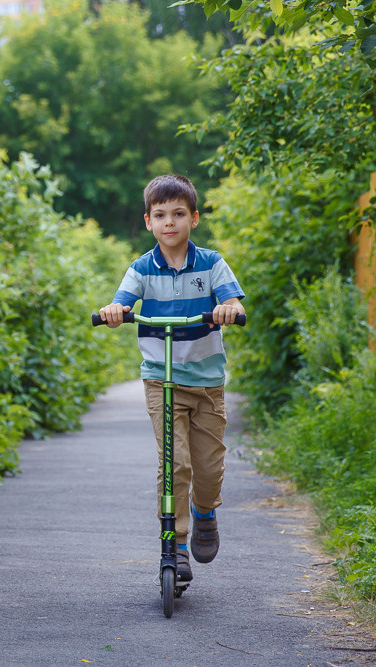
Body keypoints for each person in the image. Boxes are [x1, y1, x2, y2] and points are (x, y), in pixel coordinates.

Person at [98, 174, 245, 583]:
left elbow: (231, 298)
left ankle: (205, 512)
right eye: (160, 215)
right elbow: (121, 301)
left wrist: (228, 308)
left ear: (193, 219)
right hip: (162, 382)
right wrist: (114, 311)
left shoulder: (212, 263)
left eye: (178, 214)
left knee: (210, 467)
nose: (169, 222)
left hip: (207, 382)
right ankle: (175, 545)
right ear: (148, 221)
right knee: (174, 462)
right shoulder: (141, 268)